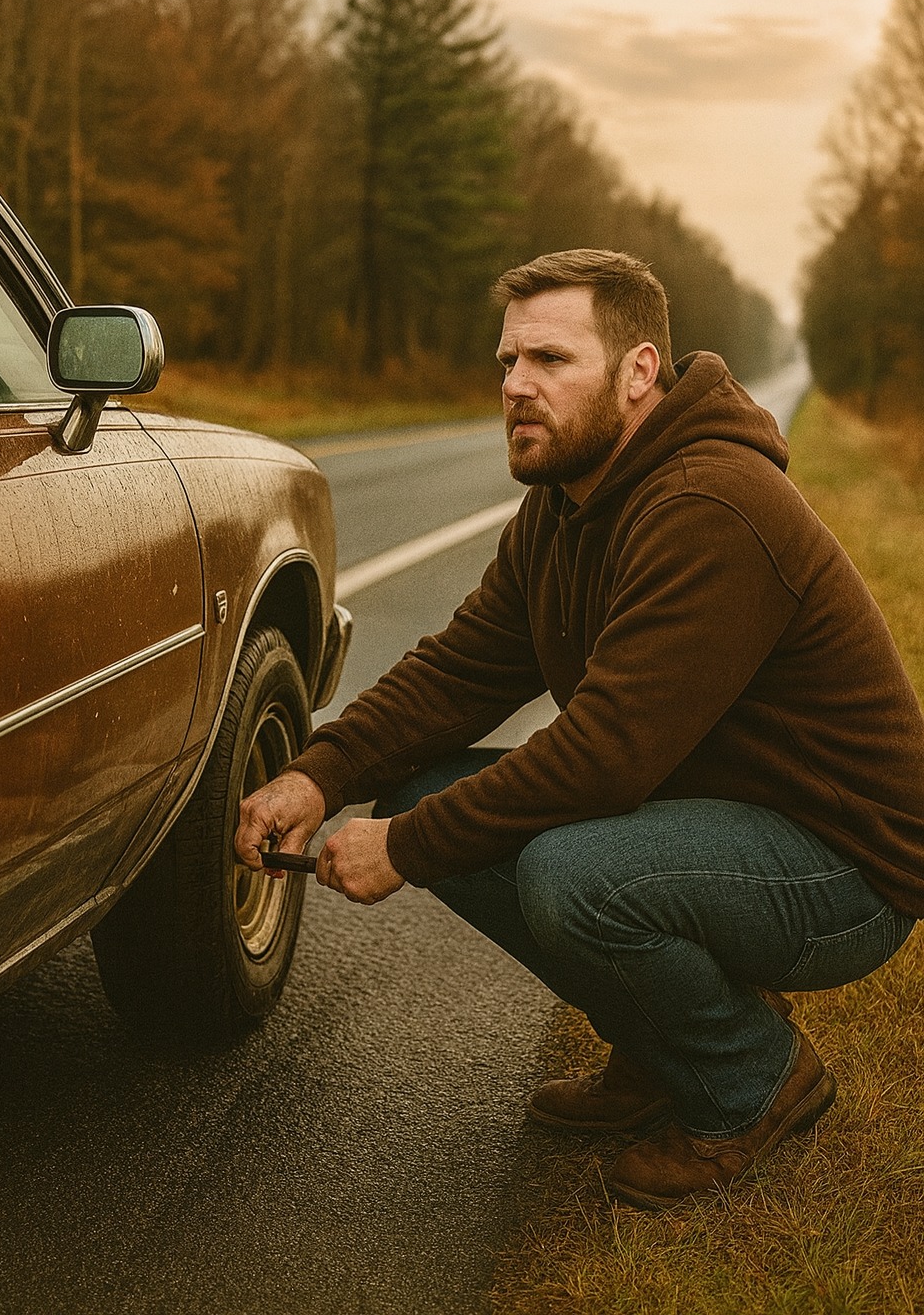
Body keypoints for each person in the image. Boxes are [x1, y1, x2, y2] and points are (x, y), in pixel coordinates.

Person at [235, 248, 924, 1211]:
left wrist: (408, 848)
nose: (516, 386)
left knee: (571, 875)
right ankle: (659, 1047)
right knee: (427, 791)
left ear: (638, 373)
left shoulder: (710, 505)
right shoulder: (563, 507)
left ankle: (752, 1081)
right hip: (723, 823)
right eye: (508, 361)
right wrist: (320, 773)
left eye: (551, 360)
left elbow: (606, 757)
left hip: (844, 867)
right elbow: (462, 671)